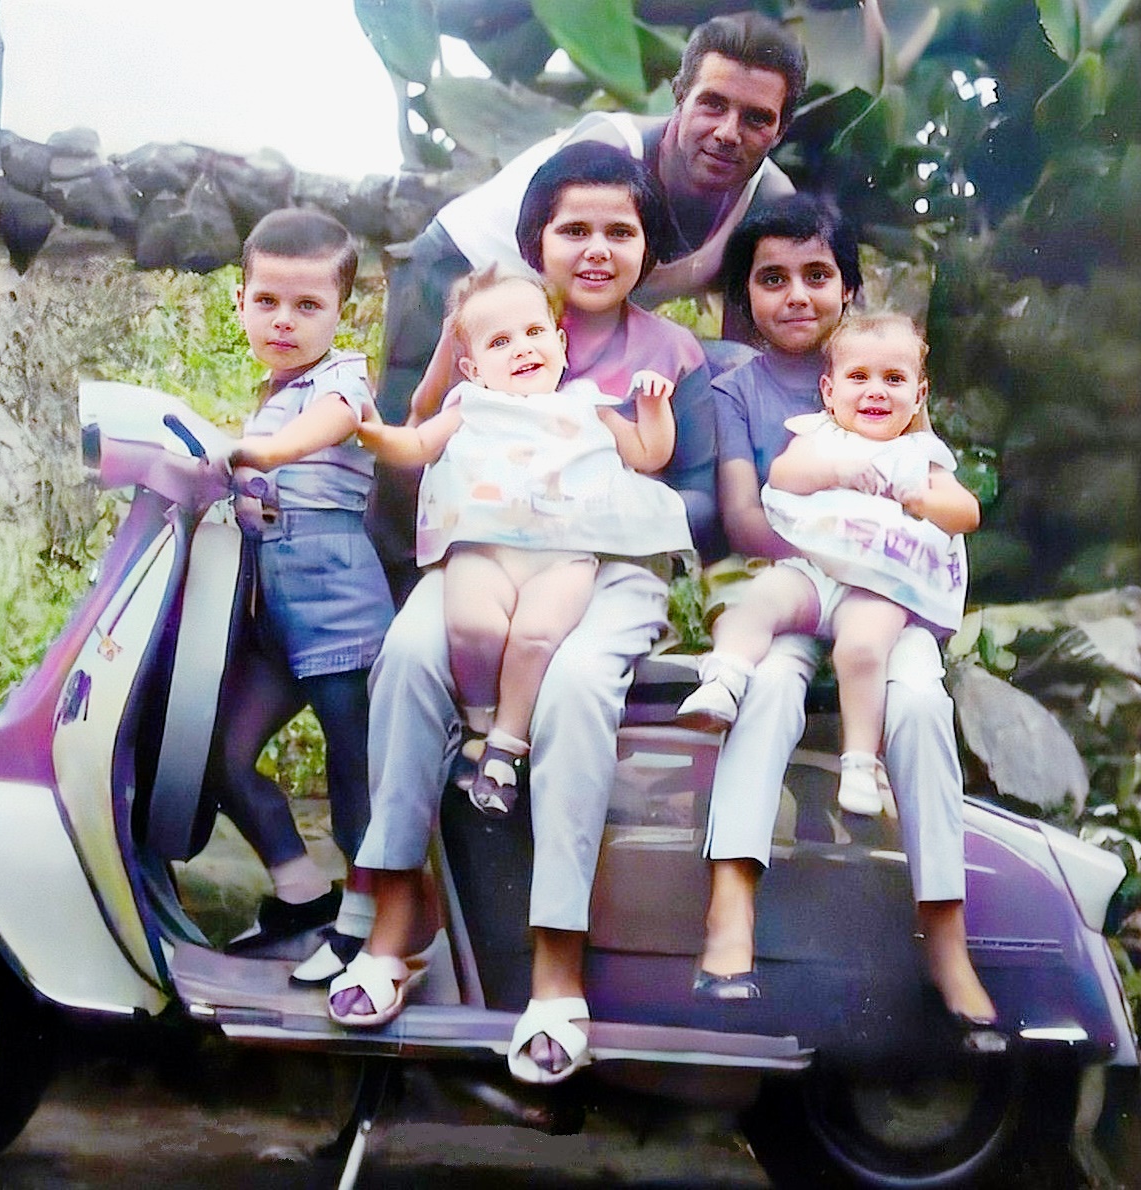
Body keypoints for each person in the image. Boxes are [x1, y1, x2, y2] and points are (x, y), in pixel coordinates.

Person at [326, 142, 714, 1085]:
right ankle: (394, 922)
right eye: (570, 229)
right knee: (412, 651)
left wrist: (597, 483)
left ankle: (556, 968)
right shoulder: (494, 326)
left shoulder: (669, 353)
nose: (594, 249)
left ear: (647, 246)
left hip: (605, 567)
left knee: (577, 685)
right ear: (534, 242)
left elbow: (687, 489)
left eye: (618, 231)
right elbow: (418, 434)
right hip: (488, 557)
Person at [692, 195, 1000, 1045]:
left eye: (816, 276)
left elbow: (935, 505)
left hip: (884, 600)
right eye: (771, 278)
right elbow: (746, 513)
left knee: (917, 703)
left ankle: (945, 936)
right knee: (763, 690)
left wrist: (885, 574)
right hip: (790, 581)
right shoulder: (735, 389)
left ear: (848, 288)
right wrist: (829, 568)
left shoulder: (890, 379)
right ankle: (731, 915)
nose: (795, 295)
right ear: (744, 294)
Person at [370, 12, 807, 597]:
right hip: (464, 274)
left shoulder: (768, 199)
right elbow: (551, 293)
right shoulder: (611, 154)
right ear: (679, 96)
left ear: (780, 130)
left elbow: (752, 370)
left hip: (562, 309)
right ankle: (400, 605)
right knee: (418, 445)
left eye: (757, 118)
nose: (729, 131)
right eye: (712, 104)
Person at [359, 267, 692, 817]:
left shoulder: (585, 403)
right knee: (474, 626)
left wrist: (653, 408)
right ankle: (479, 719)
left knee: (537, 634)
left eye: (535, 333)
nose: (522, 349)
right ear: (473, 367)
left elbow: (647, 454)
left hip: (562, 555)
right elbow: (417, 444)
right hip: (485, 549)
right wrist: (374, 432)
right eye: (500, 342)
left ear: (560, 343)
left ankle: (502, 749)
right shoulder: (470, 404)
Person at [677, 310, 978, 822]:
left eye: (894, 379)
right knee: (759, 600)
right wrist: (835, 469)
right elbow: (785, 474)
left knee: (863, 649)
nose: (876, 392)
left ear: (919, 396)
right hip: (813, 569)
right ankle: (724, 677)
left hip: (878, 586)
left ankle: (861, 760)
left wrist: (923, 501)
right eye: (858, 378)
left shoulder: (920, 455)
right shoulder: (819, 436)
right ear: (829, 389)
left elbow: (965, 513)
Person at [204, 208, 393, 987]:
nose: (284, 321)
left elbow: (336, 422)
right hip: (273, 620)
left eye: (308, 305)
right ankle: (298, 888)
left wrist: (262, 451)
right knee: (218, 754)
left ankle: (363, 925)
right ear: (240, 302)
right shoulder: (268, 397)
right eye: (267, 302)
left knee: (355, 777)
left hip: (340, 609)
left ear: (340, 313)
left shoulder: (337, 379)